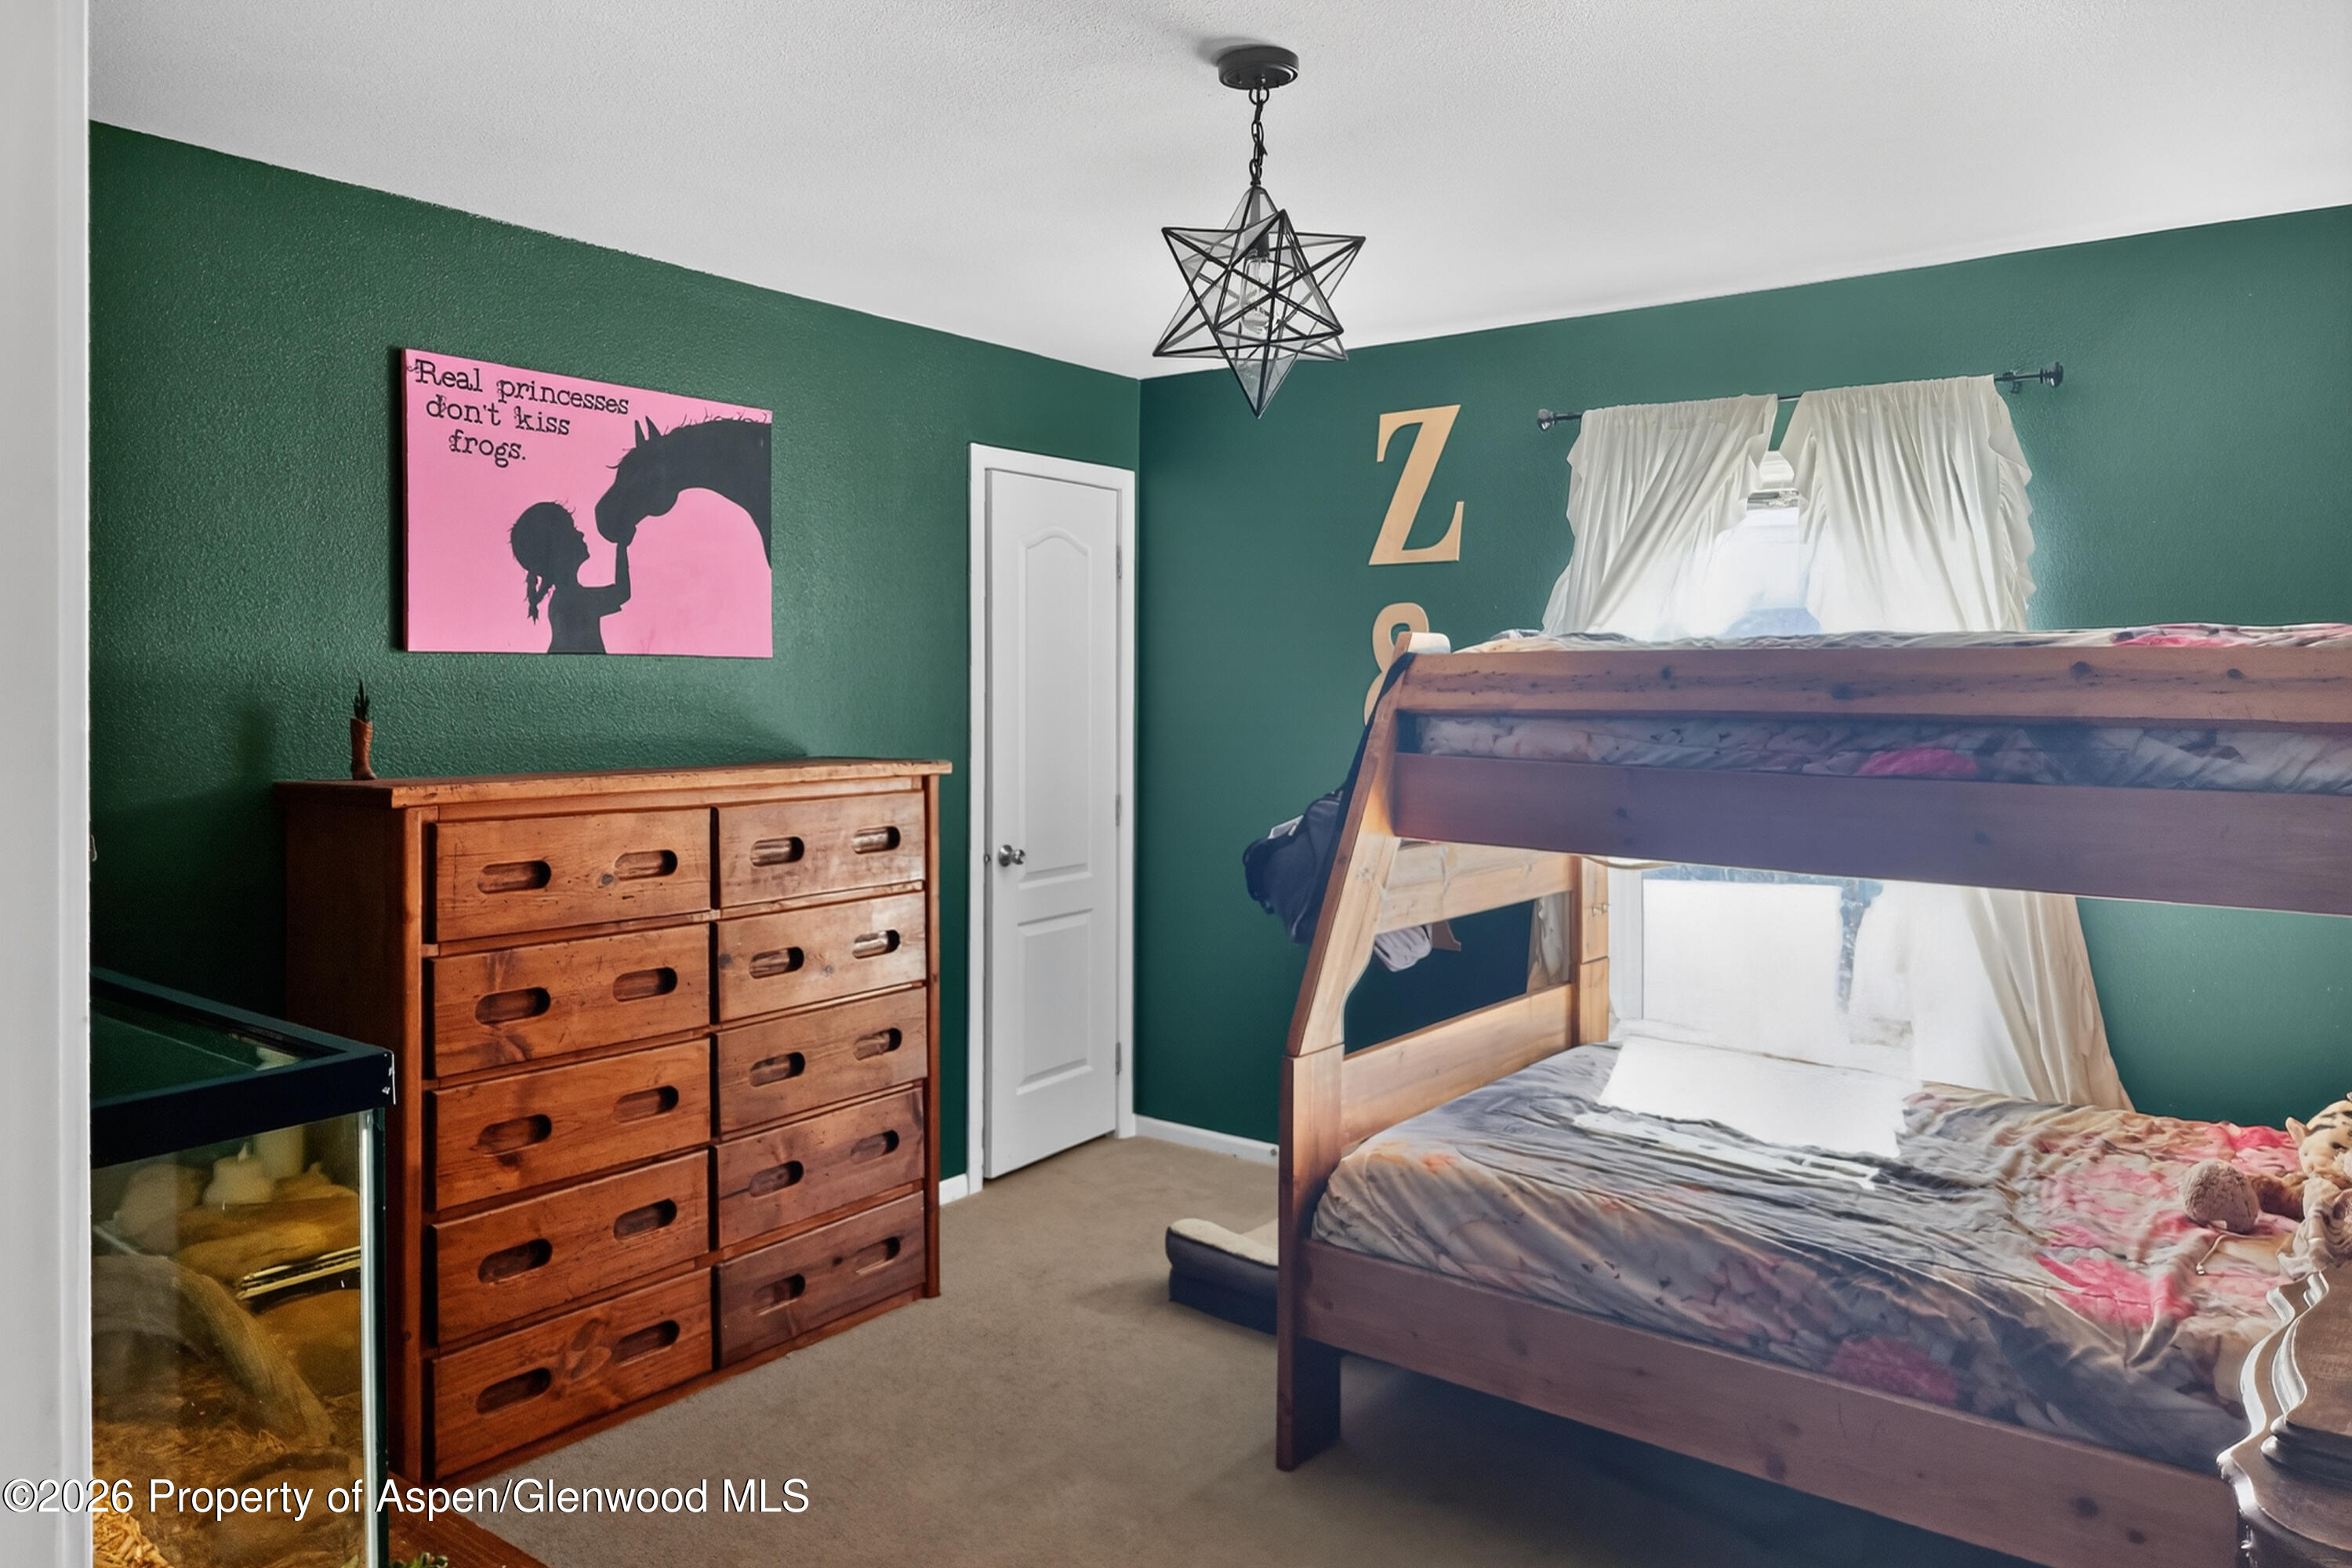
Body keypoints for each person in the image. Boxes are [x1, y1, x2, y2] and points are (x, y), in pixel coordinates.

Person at [509, 501, 629, 654]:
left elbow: (621, 593)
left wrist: (622, 546)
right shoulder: (571, 600)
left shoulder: (566, 598)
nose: (580, 534)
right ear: (558, 548)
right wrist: (622, 546)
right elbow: (621, 593)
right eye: (572, 530)